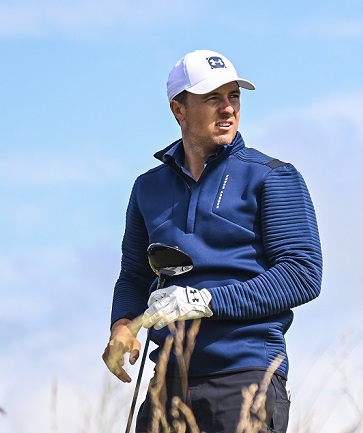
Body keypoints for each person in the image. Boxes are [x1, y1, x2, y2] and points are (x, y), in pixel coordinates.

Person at [102, 49, 323, 433]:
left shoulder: (274, 177)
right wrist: (123, 324)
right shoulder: (147, 188)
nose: (228, 109)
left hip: (245, 375)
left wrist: (206, 301)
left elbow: (302, 273)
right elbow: (135, 275)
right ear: (179, 109)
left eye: (234, 96)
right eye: (212, 98)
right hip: (166, 382)